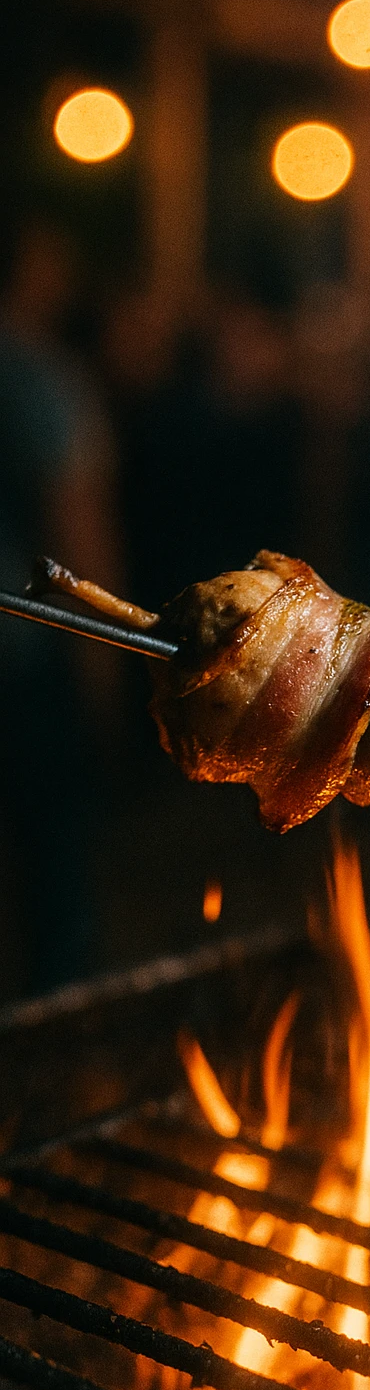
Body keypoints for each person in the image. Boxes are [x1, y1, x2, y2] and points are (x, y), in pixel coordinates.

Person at [0, 218, 121, 993]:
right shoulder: (40, 376)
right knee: (51, 857)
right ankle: (53, 1028)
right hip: (27, 654)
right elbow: (76, 533)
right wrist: (102, 662)